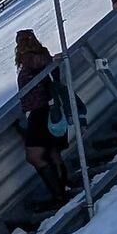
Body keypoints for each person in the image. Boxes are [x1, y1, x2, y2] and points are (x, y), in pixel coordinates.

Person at [14, 28, 72, 203]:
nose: (25, 45)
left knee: (35, 155)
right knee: (53, 152)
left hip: (41, 111)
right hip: (47, 109)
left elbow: (39, 62)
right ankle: (62, 190)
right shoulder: (39, 57)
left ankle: (59, 194)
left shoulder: (33, 58)